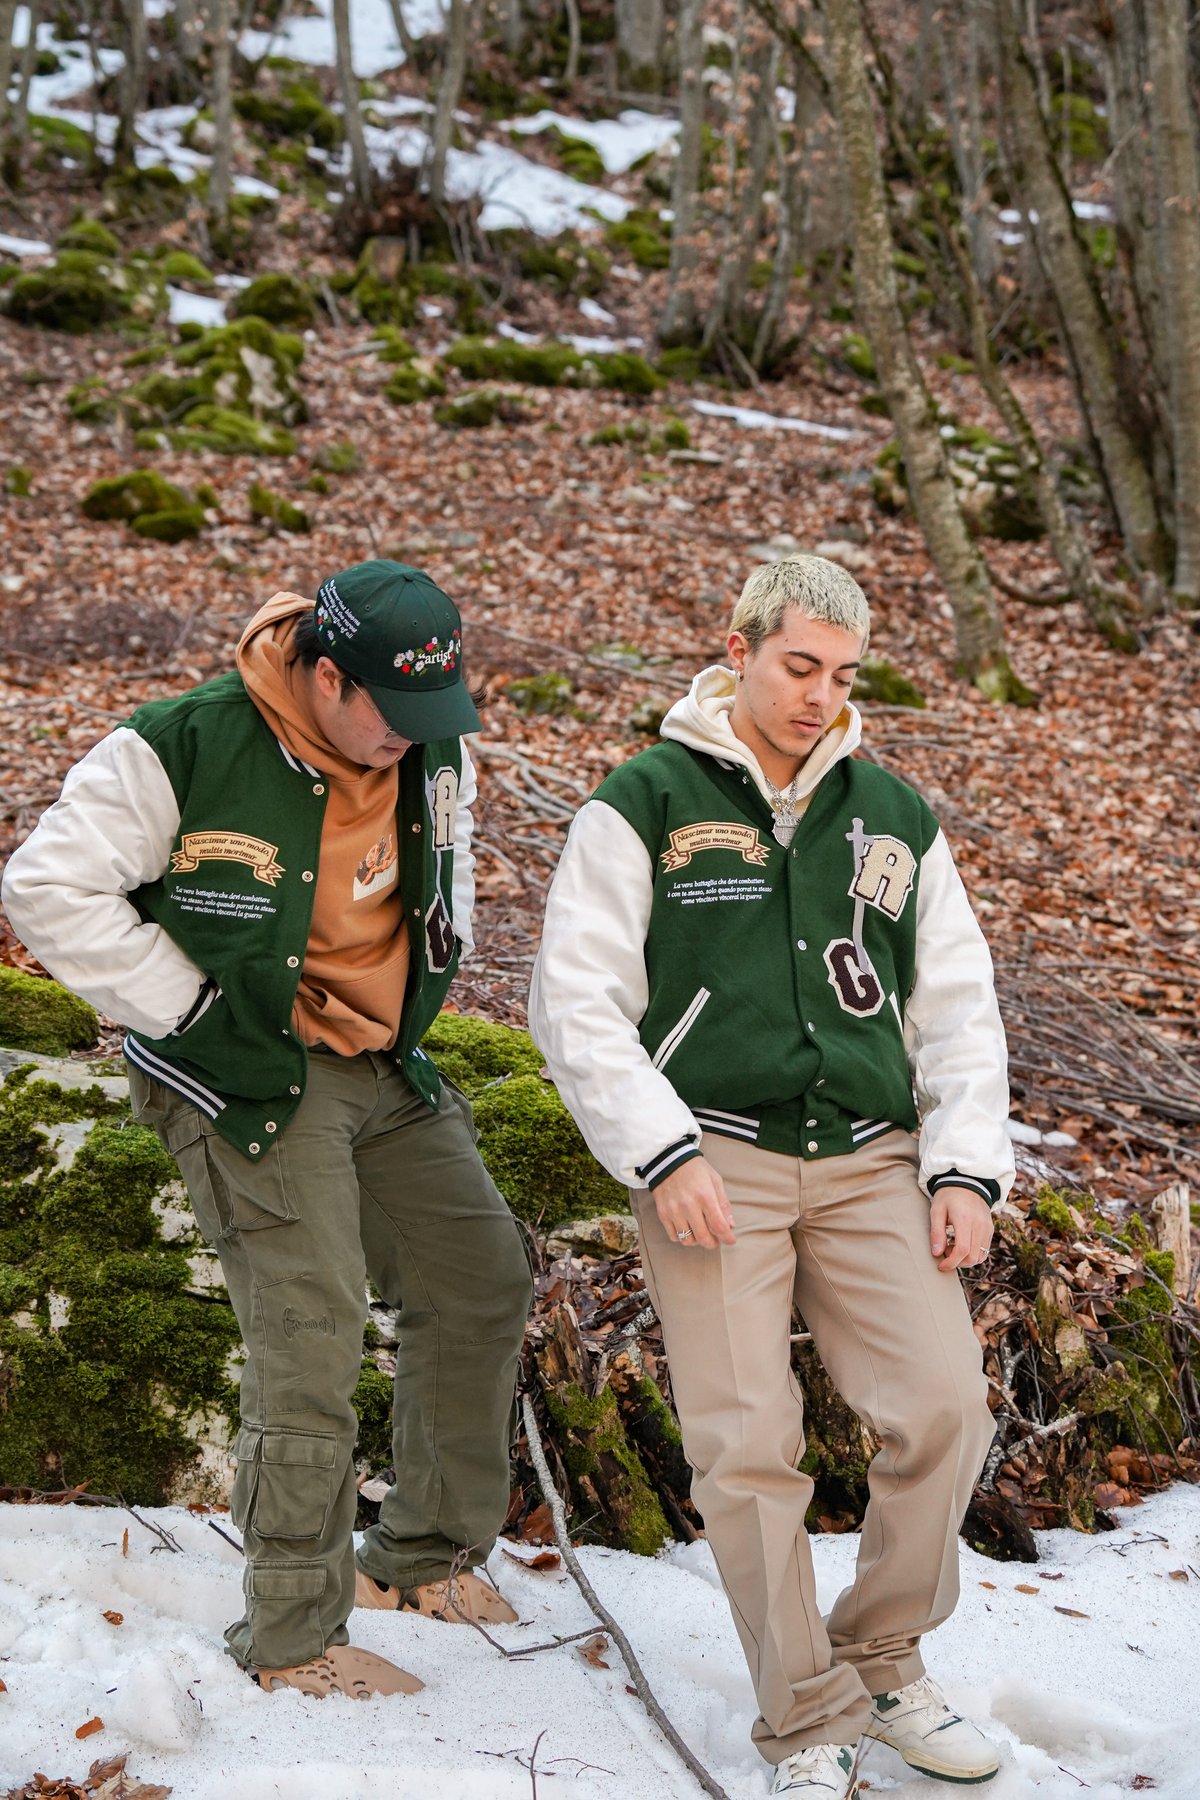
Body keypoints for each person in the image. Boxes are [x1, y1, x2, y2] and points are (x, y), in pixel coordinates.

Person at [2, 559, 533, 1700]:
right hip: (240, 1068)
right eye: (394, 714)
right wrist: (192, 1012)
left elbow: (443, 869)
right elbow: (45, 888)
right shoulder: (182, 745)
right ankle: (293, 1640)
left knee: (482, 1274)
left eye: (434, 717)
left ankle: (421, 1559)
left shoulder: (427, 740)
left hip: (380, 1058)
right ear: (326, 675)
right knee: (313, 1321)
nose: (416, 738)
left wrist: (427, 969)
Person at [529, 557, 1012, 1797]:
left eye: (843, 676)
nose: (819, 696)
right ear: (736, 644)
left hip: (869, 1160)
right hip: (711, 1156)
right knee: (747, 1448)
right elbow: (577, 1000)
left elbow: (956, 1007)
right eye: (799, 665)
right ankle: (805, 1719)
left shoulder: (893, 814)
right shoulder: (641, 800)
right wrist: (662, 1149)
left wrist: (963, 1169)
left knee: (946, 1406)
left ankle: (883, 1657)